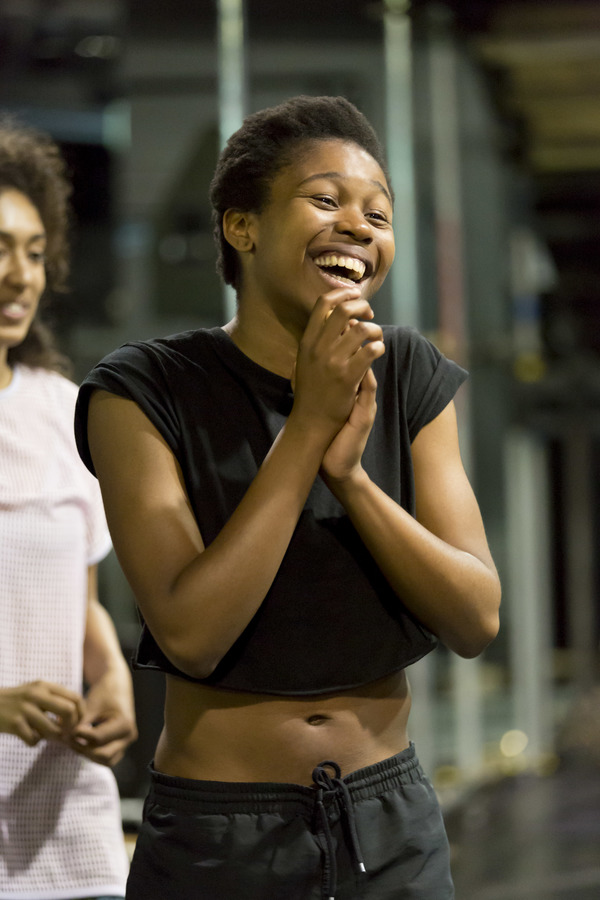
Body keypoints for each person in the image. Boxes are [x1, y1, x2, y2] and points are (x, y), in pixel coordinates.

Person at [74, 95, 501, 899]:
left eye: (378, 212)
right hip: (220, 837)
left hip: (392, 828)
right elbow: (193, 634)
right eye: (325, 199)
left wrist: (351, 477)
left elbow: (476, 617)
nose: (359, 226)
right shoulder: (142, 389)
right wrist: (307, 430)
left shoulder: (408, 373)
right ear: (242, 227)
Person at [0, 117, 137, 900]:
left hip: (66, 833)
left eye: (34, 251)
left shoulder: (64, 411)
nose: (21, 276)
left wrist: (111, 679)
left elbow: (77, 602)